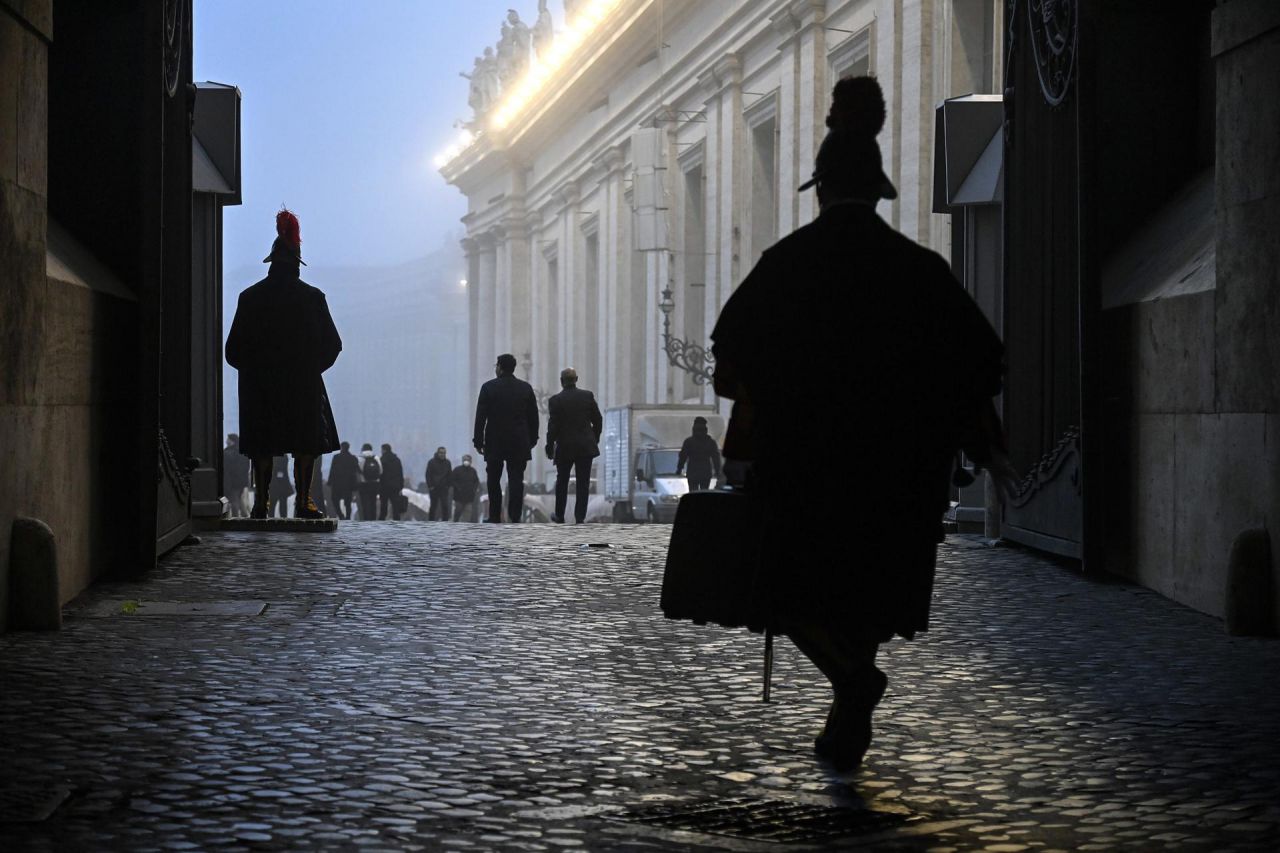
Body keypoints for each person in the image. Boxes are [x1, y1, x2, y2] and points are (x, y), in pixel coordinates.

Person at [709, 77, 1014, 772]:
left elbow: (730, 360)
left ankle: (851, 684)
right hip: (899, 475)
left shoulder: (783, 266)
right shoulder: (922, 270)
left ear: (819, 191)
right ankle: (852, 699)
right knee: (871, 594)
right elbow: (979, 359)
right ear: (878, 192)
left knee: (780, 590)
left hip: (803, 470)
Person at [225, 209, 341, 519]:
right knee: (306, 446)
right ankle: (304, 501)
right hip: (303, 386)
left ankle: (261, 502)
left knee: (262, 448)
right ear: (296, 264)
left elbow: (232, 350)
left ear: (272, 263)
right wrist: (310, 369)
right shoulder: (313, 298)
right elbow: (334, 345)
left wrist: (254, 372)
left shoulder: (249, 298)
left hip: (260, 387)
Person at [473, 352, 539, 523]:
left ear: (500, 368)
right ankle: (514, 515)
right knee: (516, 479)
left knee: (494, 479)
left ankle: (495, 515)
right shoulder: (525, 388)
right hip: (518, 441)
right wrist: (532, 439)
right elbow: (533, 416)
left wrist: (478, 440)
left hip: (495, 440)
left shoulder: (488, 387)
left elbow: (481, 416)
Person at [545, 367, 602, 524]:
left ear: (561, 381)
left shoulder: (555, 400)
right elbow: (598, 419)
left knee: (562, 481)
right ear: (576, 379)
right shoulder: (587, 396)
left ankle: (560, 515)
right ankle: (580, 517)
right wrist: (594, 438)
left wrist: (549, 446)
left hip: (564, 447)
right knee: (583, 483)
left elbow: (553, 426)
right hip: (585, 446)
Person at [675, 416, 722, 492]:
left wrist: (679, 469)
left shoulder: (689, 442)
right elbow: (715, 458)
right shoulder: (710, 442)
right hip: (705, 472)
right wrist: (717, 471)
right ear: (706, 429)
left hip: (692, 472)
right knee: (704, 493)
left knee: (693, 493)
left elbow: (683, 457)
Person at [327, 441, 359, 520]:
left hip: (337, 484)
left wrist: (329, 482)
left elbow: (332, 470)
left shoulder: (336, 457)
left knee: (335, 500)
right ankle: (348, 517)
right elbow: (356, 471)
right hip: (349, 484)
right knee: (348, 503)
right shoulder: (353, 458)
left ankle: (341, 515)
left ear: (341, 447)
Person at [223, 434, 250, 517]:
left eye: (228, 439)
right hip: (242, 481)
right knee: (239, 499)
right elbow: (247, 467)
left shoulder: (228, 453)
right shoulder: (243, 452)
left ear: (232, 441)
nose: (226, 440)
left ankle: (236, 519)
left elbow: (227, 469)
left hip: (232, 482)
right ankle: (245, 516)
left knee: (234, 501)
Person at [450, 454, 481, 522]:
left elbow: (476, 481)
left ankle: (465, 529)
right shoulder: (457, 470)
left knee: (467, 514)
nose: (466, 461)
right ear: (462, 460)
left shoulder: (473, 471)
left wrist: (474, 489)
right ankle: (454, 526)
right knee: (457, 513)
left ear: (470, 461)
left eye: (468, 460)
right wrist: (458, 487)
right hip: (458, 497)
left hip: (469, 497)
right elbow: (452, 480)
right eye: (465, 460)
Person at [425, 447, 453, 521]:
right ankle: (431, 521)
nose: (442, 454)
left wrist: (448, 485)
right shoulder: (431, 462)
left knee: (445, 506)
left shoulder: (447, 463)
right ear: (437, 453)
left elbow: (450, 475)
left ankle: (445, 521)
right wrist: (430, 486)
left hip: (444, 488)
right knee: (433, 506)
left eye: (444, 453)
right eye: (441, 453)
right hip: (434, 488)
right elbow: (428, 474)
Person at [379, 443, 405, 521]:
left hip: (384, 486)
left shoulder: (382, 459)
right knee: (395, 506)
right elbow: (400, 473)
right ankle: (396, 520)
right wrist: (401, 486)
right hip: (395, 487)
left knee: (384, 505)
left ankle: (382, 520)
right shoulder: (397, 460)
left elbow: (380, 474)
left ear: (384, 450)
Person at [357, 443, 381, 521]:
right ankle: (373, 519)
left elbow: (358, 471)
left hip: (364, 484)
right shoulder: (376, 457)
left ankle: (366, 519)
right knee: (373, 502)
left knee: (364, 503)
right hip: (375, 483)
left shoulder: (360, 458)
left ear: (363, 449)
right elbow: (380, 470)